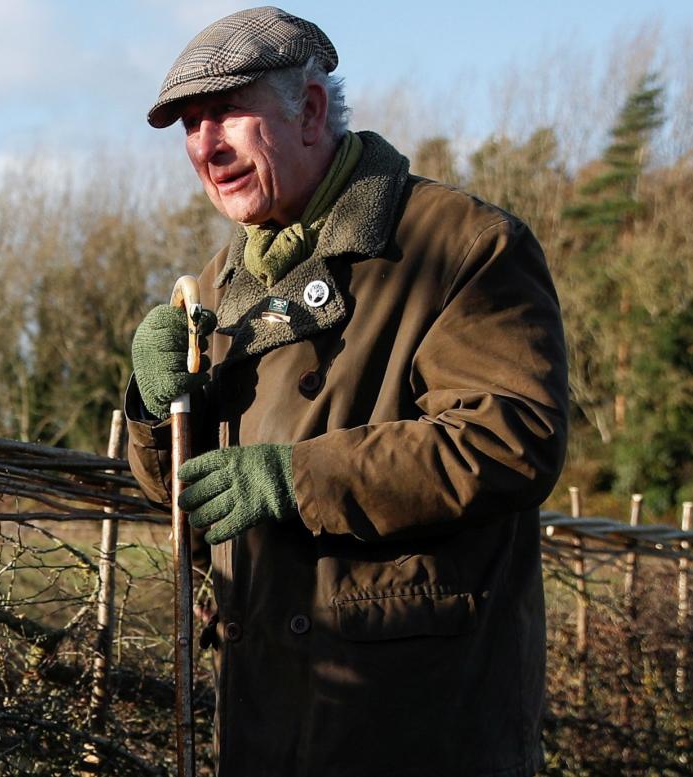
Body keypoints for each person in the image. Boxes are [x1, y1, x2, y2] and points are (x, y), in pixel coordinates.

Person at [125, 7, 569, 776]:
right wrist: (153, 405)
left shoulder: (455, 243)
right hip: (263, 725)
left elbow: (509, 436)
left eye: (227, 111)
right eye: (190, 125)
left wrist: (296, 478)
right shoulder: (219, 287)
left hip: (414, 726)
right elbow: (193, 504)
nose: (205, 145)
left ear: (311, 110)